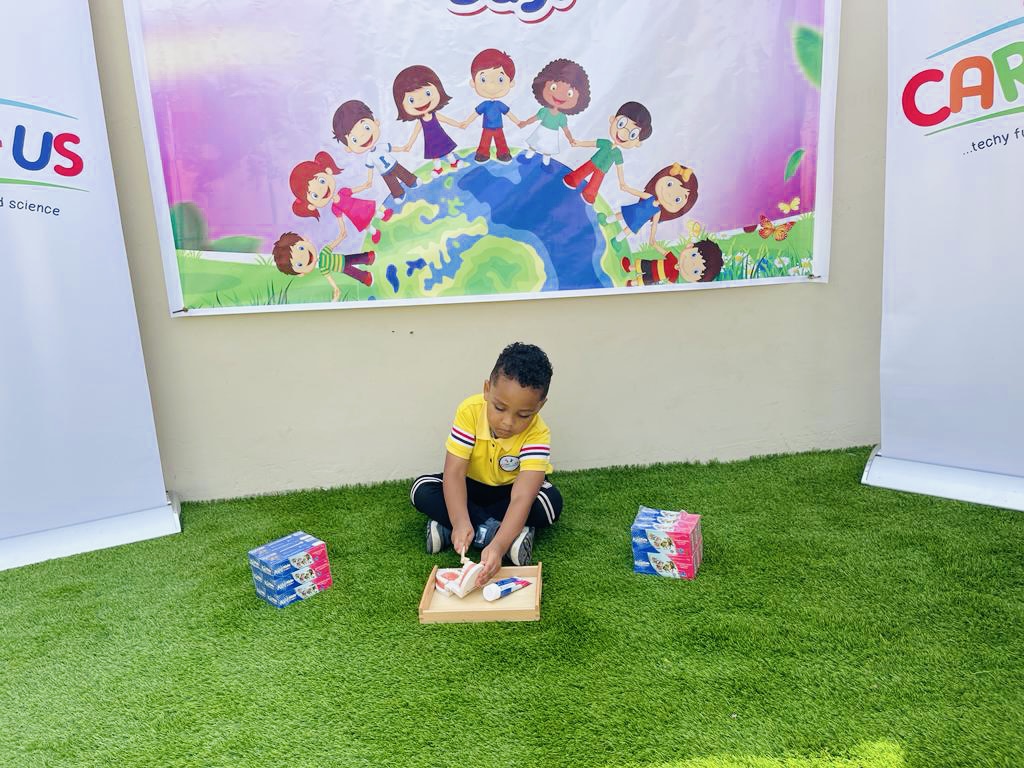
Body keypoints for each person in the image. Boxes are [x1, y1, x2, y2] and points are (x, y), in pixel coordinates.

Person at [410, 343, 562, 581]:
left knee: (549, 503)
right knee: (421, 489)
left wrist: (498, 547)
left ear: (540, 406)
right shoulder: (469, 411)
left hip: (510, 494)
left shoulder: (538, 433)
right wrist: (460, 521)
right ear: (487, 390)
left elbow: (522, 496)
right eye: (499, 408)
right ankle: (497, 532)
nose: (508, 422)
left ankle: (451, 528)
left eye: (523, 415)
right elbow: (454, 473)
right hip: (471, 488)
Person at [563, 101, 653, 205]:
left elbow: (619, 168)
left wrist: (622, 182)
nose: (623, 134)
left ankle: (590, 193)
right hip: (593, 162)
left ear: (638, 143)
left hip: (602, 170)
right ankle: (573, 178)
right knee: (583, 170)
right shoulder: (606, 143)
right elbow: (592, 143)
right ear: (612, 119)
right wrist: (579, 143)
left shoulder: (617, 153)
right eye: (621, 124)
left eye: (632, 135)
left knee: (596, 182)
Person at [332, 100, 419, 205]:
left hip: (393, 164)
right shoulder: (370, 157)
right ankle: (398, 194)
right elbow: (370, 168)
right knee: (392, 183)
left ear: (376, 123)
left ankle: (412, 181)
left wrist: (402, 148)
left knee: (403, 173)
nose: (363, 136)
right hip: (384, 172)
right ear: (348, 148)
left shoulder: (381, 147)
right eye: (354, 139)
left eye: (366, 127)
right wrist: (369, 180)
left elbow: (391, 148)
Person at [459, 48, 526, 163]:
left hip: (498, 127)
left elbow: (509, 113)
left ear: (511, 83)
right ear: (473, 83)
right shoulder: (484, 104)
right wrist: (467, 122)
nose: (492, 85)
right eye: (483, 79)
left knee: (501, 141)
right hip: (487, 127)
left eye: (500, 79)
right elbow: (476, 113)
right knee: (485, 141)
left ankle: (503, 153)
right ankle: (482, 154)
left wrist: (518, 122)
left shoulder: (499, 104)